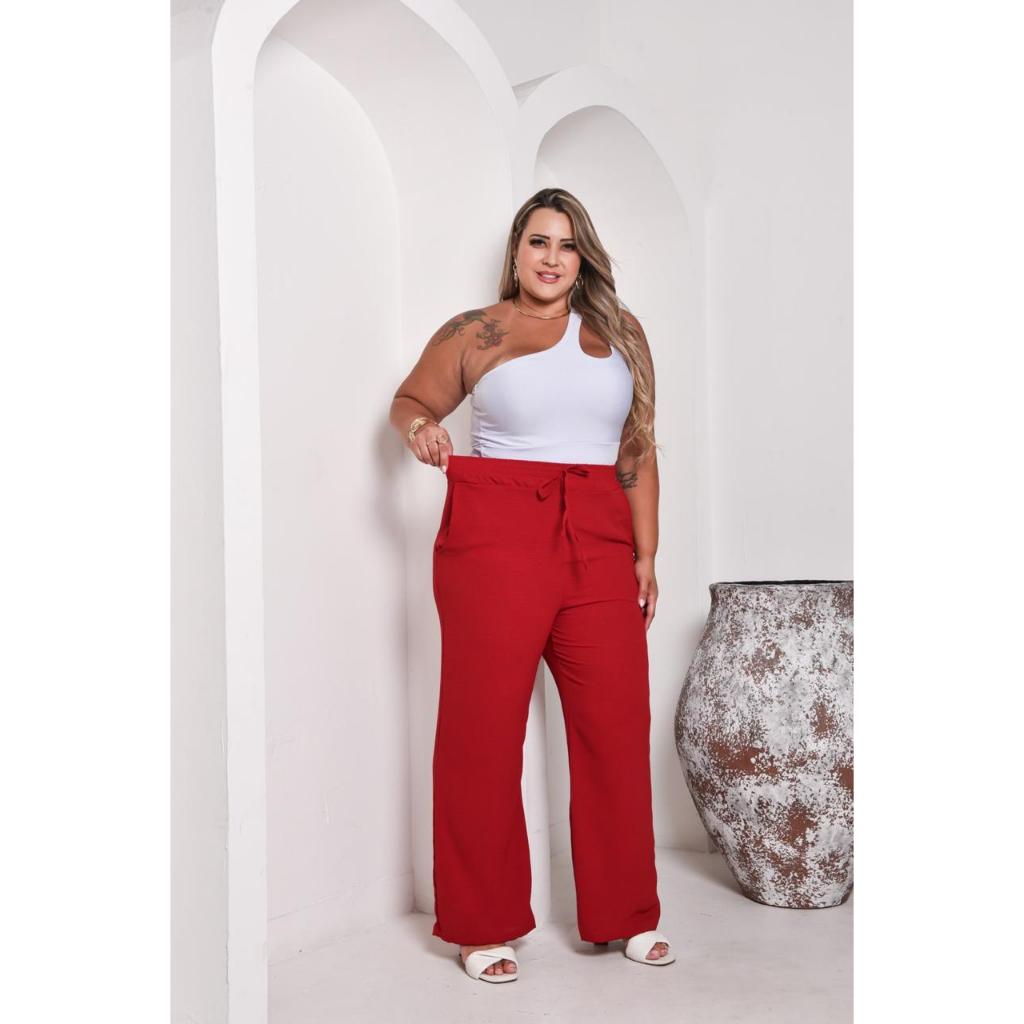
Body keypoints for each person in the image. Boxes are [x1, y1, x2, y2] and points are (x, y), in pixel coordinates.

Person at [389, 187, 675, 983]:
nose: (552, 258)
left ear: (585, 258)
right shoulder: (474, 331)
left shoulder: (621, 333)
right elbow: (411, 400)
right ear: (516, 250)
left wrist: (646, 552)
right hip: (496, 533)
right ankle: (482, 924)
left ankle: (628, 913)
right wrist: (421, 429)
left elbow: (638, 447)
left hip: (599, 533)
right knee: (481, 730)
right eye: (539, 242)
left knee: (615, 725)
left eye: (568, 244)